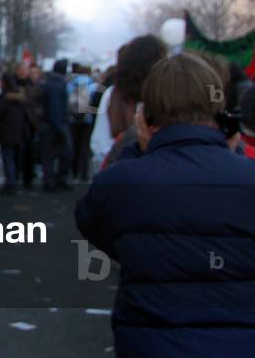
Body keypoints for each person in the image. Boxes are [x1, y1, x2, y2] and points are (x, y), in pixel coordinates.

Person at [75, 53, 255, 357]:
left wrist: (138, 150)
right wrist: (232, 156)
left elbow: (98, 228)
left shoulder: (122, 183)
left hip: (151, 344)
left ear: (146, 116)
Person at [101, 35, 167, 168]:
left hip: (121, 173)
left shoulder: (113, 95)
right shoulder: (168, 95)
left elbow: (100, 144)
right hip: (164, 171)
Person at [0, 66, 35, 196]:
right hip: (20, 133)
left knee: (8, 158)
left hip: (6, 132)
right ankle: (14, 181)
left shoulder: (4, 97)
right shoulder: (22, 97)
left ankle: (11, 184)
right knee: (15, 158)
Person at [38, 59, 72, 191]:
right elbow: (55, 106)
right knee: (63, 153)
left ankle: (51, 180)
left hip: (50, 124)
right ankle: (55, 180)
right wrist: (58, 126)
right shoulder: (57, 85)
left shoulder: (51, 83)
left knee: (50, 155)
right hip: (56, 124)